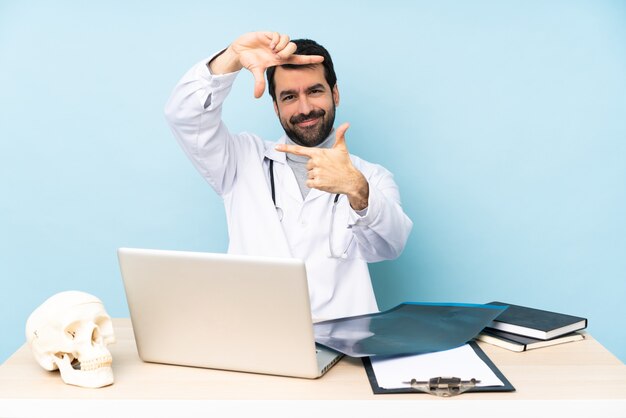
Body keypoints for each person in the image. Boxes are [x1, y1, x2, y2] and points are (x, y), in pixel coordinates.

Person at [164, 31, 412, 320]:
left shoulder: (371, 177)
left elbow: (391, 245)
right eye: (289, 96)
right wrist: (232, 57)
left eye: (315, 91)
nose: (304, 108)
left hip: (347, 343)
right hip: (258, 340)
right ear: (276, 106)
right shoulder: (241, 160)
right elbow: (185, 116)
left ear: (335, 93)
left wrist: (358, 190)